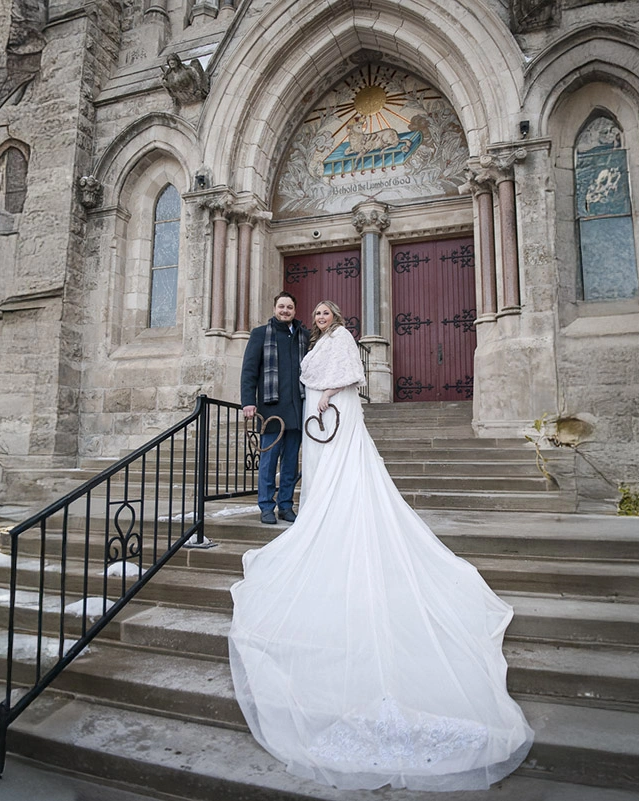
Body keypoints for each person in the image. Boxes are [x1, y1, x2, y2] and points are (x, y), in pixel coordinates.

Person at [228, 300, 534, 791]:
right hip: (301, 414)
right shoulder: (299, 338)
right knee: (301, 471)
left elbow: (352, 378)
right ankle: (287, 508)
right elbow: (268, 371)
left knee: (336, 474)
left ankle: (301, 510)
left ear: (338, 319)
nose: (320, 318)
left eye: (326, 314)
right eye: (317, 314)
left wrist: (325, 395)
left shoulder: (341, 341)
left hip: (333, 412)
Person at [240, 291, 309, 525]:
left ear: (295, 310)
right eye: (281, 306)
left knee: (290, 462)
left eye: (289, 307)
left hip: (297, 408)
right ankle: (266, 506)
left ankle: (286, 506)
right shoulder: (260, 334)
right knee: (268, 463)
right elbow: (249, 371)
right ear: (274, 308)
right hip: (271, 409)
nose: (285, 311)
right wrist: (248, 401)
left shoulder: (304, 336)